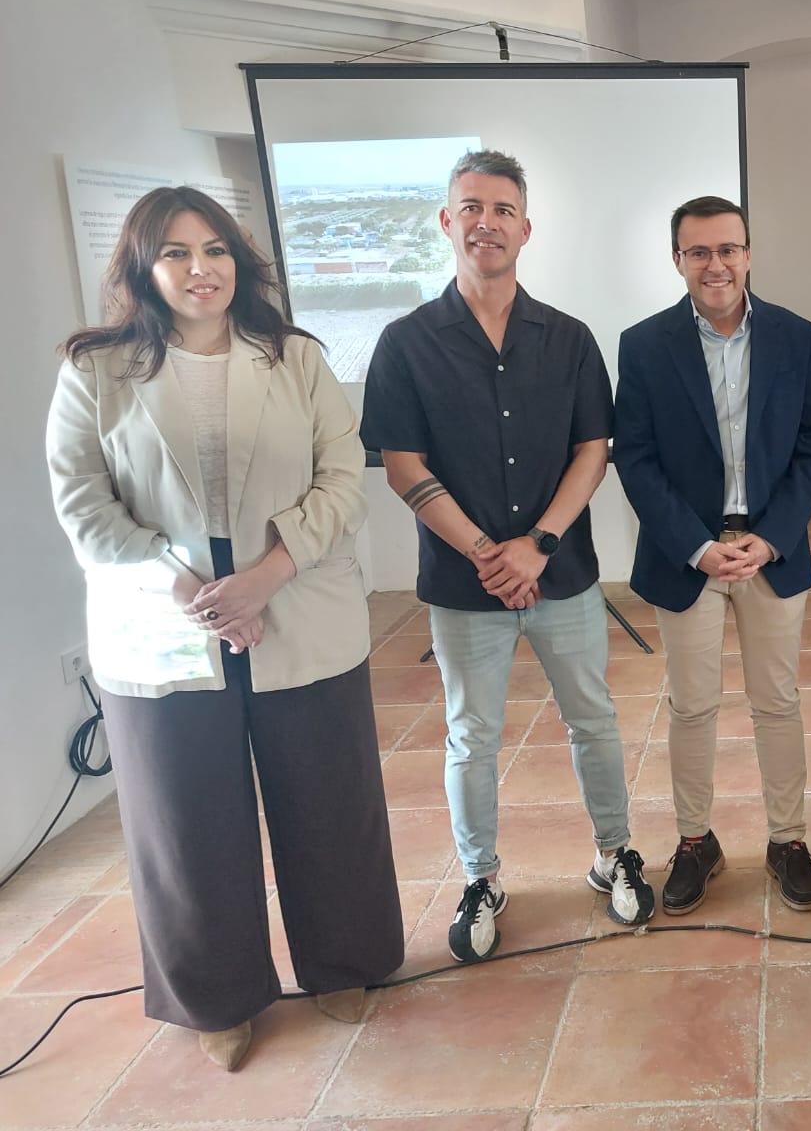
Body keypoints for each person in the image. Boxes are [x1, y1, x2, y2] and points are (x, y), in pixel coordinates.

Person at [44, 187, 403, 1071]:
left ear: (240, 263)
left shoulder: (296, 357)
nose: (200, 268)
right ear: (143, 266)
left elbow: (342, 481)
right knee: (185, 822)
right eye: (176, 252)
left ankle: (345, 963)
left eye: (215, 250)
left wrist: (267, 575)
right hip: (163, 626)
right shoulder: (95, 371)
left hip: (296, 607)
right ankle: (217, 997)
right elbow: (84, 505)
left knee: (329, 802)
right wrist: (185, 589)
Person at [361, 150, 653, 963]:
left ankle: (614, 853)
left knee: (593, 719)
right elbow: (402, 465)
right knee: (472, 736)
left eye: (502, 209)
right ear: (446, 222)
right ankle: (481, 878)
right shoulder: (405, 343)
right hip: (465, 584)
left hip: (563, 573)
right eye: (471, 207)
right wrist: (491, 554)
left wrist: (538, 545)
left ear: (526, 228)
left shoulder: (569, 338)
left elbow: (593, 450)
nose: (486, 222)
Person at [613, 196, 811, 913]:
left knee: (778, 702)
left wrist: (772, 537)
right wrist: (699, 547)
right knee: (692, 707)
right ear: (678, 260)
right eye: (699, 252)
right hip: (688, 555)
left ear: (748, 254)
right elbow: (636, 459)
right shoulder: (644, 345)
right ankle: (694, 840)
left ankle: (788, 840)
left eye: (728, 249)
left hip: (772, 549)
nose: (716, 265)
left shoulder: (796, 337)